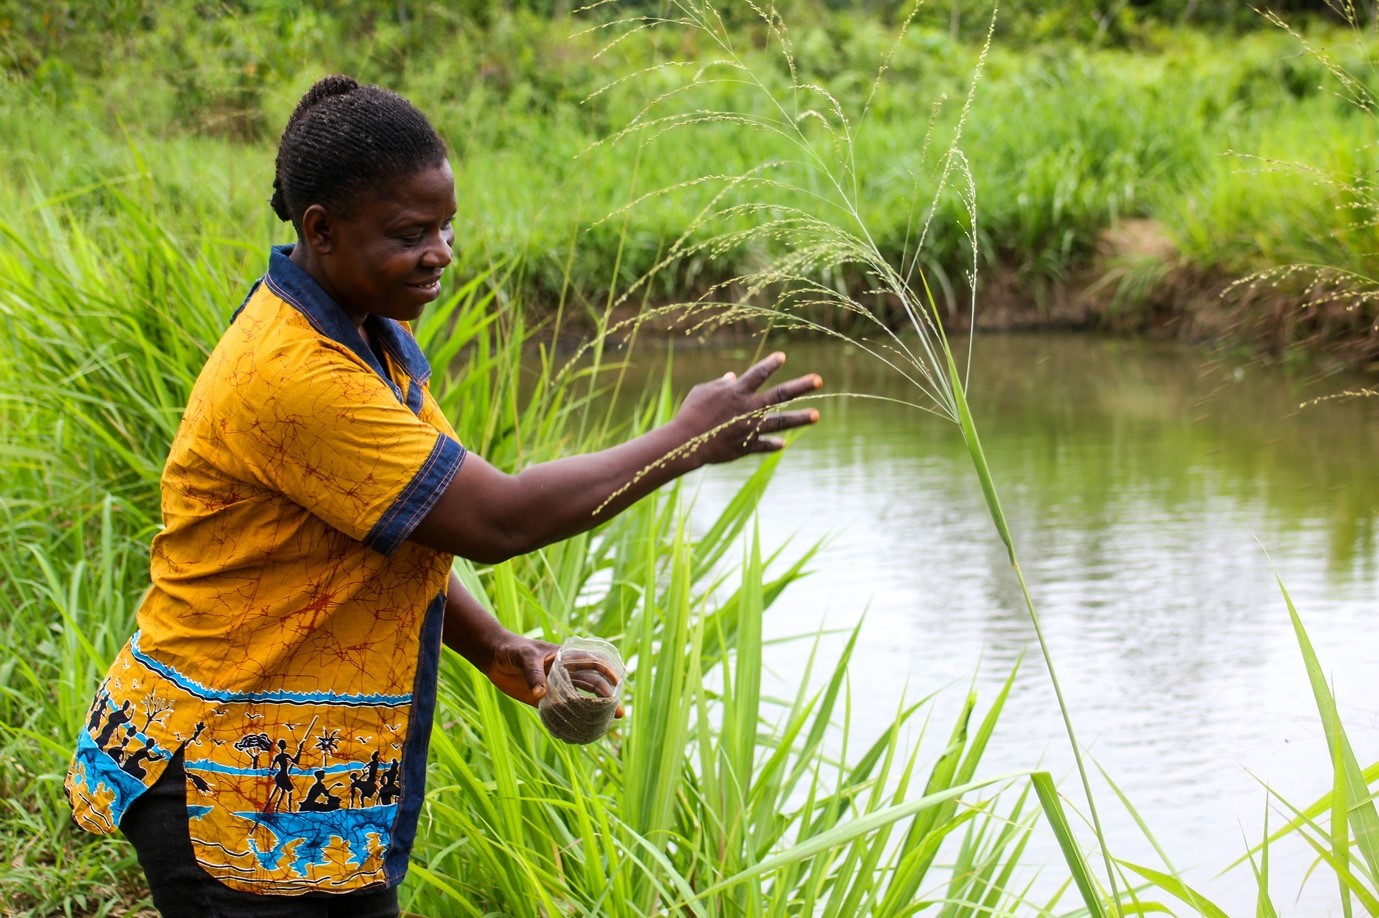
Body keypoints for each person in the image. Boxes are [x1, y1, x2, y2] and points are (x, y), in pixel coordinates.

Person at [64, 74, 821, 916]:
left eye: (445, 226)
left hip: (302, 782)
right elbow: (496, 517)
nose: (441, 252)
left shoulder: (367, 339)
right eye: (410, 233)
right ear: (321, 230)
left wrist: (498, 647)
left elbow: (409, 525)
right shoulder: (296, 374)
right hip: (223, 778)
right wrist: (682, 439)